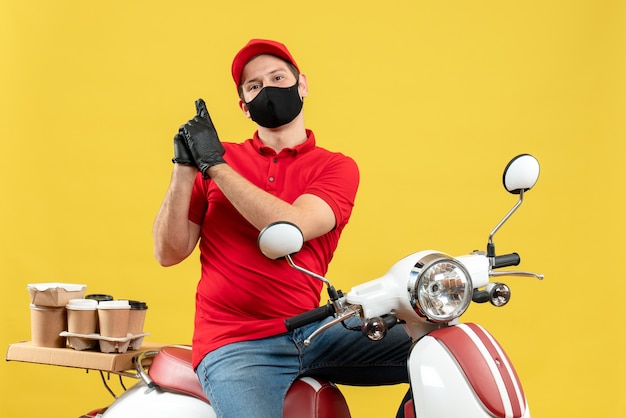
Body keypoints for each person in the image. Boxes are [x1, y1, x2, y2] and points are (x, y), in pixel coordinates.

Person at [153, 39, 413, 418]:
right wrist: (184, 167)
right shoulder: (216, 165)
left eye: (278, 77)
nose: (268, 90)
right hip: (236, 343)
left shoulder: (335, 167)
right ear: (243, 106)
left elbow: (292, 225)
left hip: (315, 330)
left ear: (302, 84)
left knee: (443, 350)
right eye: (254, 86)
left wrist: (215, 165)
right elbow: (168, 253)